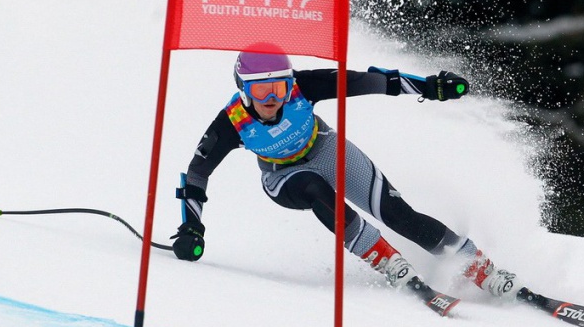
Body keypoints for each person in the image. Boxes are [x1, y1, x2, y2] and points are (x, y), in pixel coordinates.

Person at [170, 42, 520, 300]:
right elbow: (197, 173)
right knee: (313, 189)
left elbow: (369, 82)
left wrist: (429, 86)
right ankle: (384, 259)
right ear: (243, 90)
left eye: (279, 86)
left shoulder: (302, 87)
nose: (273, 98)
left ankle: (477, 266)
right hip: (282, 177)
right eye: (261, 89)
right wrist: (192, 227)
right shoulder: (231, 122)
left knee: (398, 214)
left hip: (326, 148)